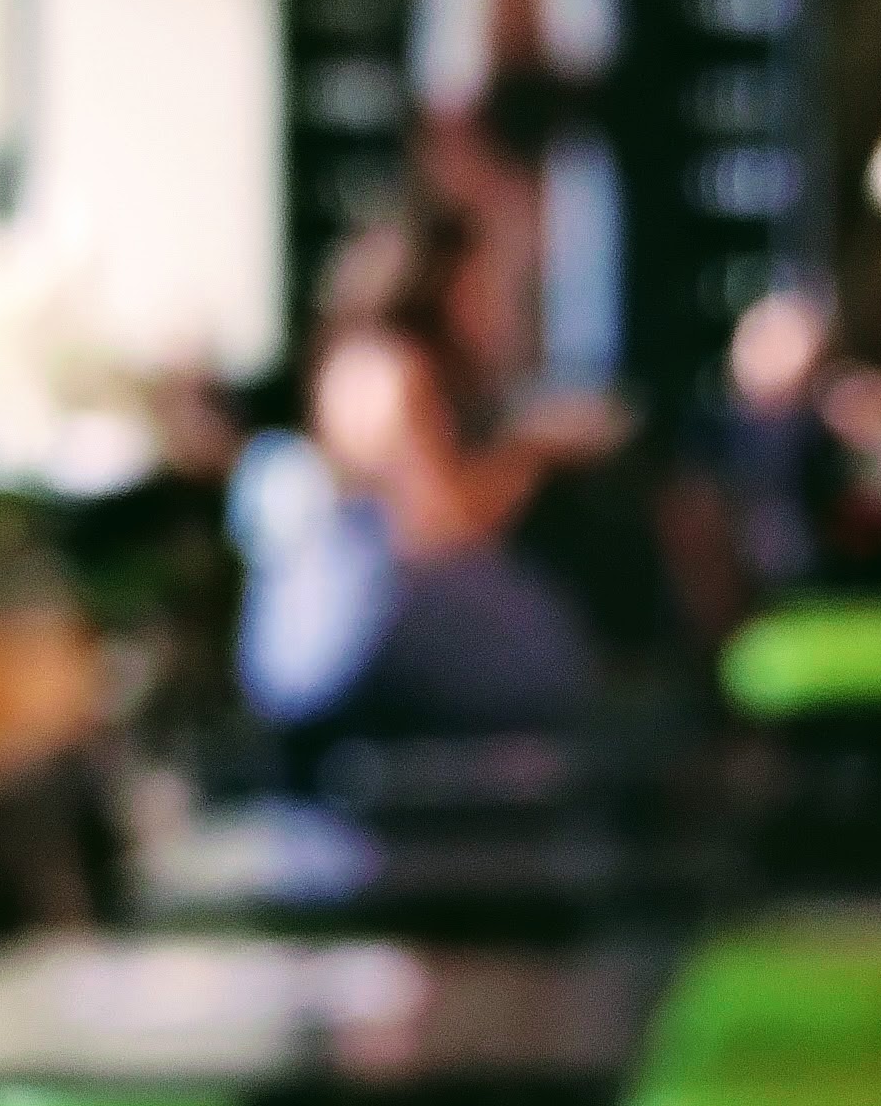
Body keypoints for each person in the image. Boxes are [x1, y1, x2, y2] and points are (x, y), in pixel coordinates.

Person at [233, 207, 612, 741]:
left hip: (343, 639)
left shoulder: (358, 360)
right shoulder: (389, 372)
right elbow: (435, 527)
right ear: (439, 282)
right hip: (370, 634)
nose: (495, 303)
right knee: (555, 653)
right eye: (481, 281)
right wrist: (535, 453)